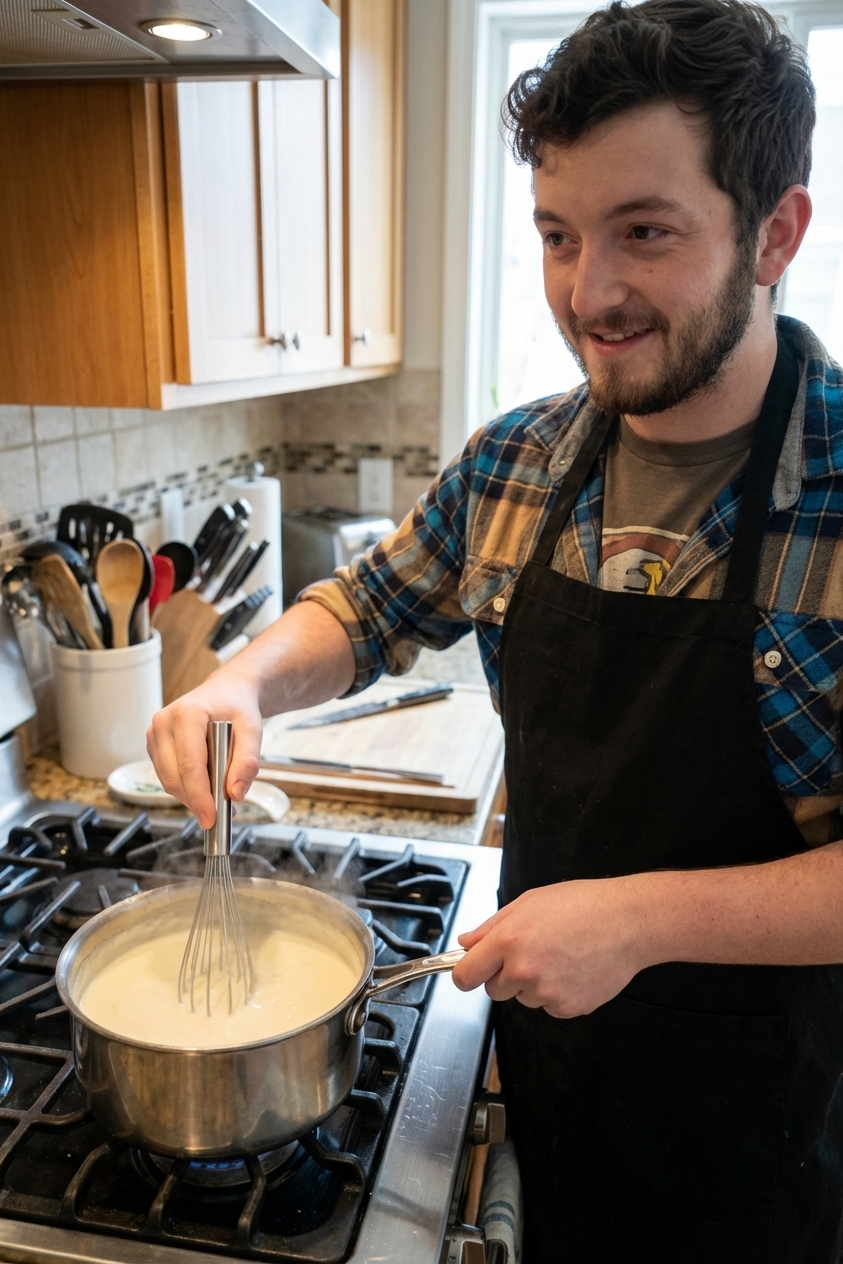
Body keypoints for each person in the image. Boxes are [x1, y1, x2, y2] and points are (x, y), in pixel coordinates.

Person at [147, 0, 843, 1257]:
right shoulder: (520, 460)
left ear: (774, 232)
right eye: (559, 235)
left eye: (646, 233)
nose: (592, 293)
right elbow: (365, 611)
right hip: (556, 1079)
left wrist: (637, 920)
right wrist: (242, 686)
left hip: (773, 1138)